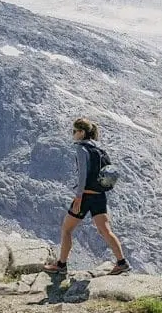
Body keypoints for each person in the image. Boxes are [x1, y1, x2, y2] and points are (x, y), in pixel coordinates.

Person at [49, 117, 129, 278]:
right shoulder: (100, 149)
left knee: (67, 229)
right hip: (100, 196)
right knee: (105, 230)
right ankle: (122, 263)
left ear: (82, 132)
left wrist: (78, 197)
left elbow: (83, 175)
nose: (73, 134)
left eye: (74, 131)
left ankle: (61, 265)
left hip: (85, 196)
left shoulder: (81, 148)